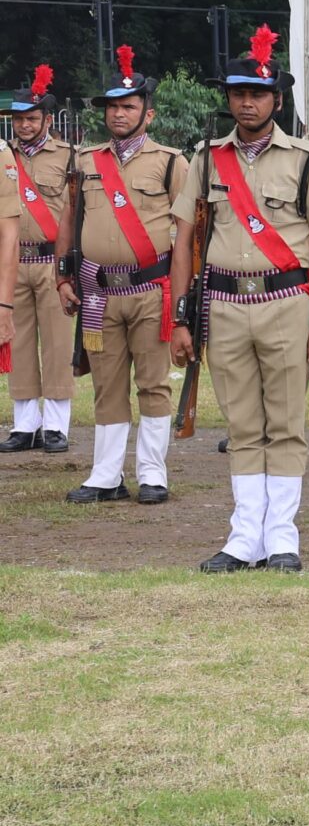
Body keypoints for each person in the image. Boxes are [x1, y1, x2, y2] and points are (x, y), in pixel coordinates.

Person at [195, 27, 309, 572]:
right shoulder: (207, 159)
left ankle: (281, 538)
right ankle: (243, 538)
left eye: (257, 94)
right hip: (225, 303)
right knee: (241, 426)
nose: (247, 103)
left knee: (285, 424)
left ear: (277, 100)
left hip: (286, 302)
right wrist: (183, 316)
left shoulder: (306, 159)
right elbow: (188, 239)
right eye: (238, 94)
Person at [64, 48, 185, 504]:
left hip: (151, 290)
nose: (118, 114)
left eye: (128, 106)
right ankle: (106, 475)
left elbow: (188, 232)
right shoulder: (85, 160)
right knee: (106, 385)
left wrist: (185, 294)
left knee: (153, 384)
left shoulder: (171, 162)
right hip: (98, 293)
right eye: (112, 107)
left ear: (147, 113)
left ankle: (153, 474)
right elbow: (69, 219)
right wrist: (63, 276)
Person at [6, 65, 71, 453]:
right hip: (12, 261)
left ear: (47, 119)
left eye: (32, 118)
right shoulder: (3, 156)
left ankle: (56, 426)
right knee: (17, 341)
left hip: (52, 261)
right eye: (19, 119)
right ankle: (25, 425)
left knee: (58, 343)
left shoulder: (67, 156)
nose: (25, 125)